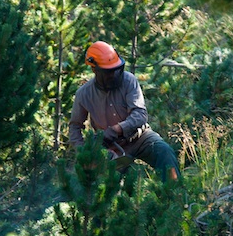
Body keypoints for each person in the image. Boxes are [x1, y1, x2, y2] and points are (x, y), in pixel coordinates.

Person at [68, 41, 180, 182]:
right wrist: (85, 153)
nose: (114, 75)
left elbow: (140, 114)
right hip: (110, 148)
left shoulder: (129, 81)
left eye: (116, 70)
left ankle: (175, 192)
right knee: (102, 183)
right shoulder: (84, 94)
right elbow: (75, 127)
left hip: (139, 137)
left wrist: (117, 129)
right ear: (94, 69)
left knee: (164, 152)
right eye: (108, 72)